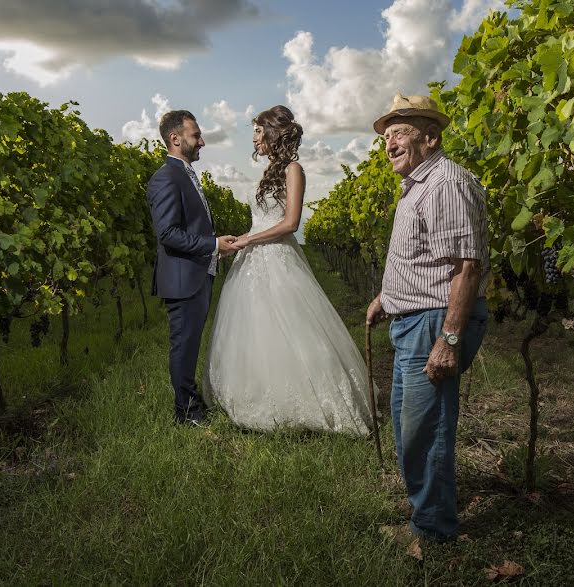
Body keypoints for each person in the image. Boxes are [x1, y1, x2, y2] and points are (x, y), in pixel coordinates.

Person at [202, 105, 374, 435]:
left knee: (289, 327)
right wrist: (246, 240)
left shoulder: (294, 169)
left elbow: (291, 223)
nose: (253, 137)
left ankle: (301, 405)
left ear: (273, 133)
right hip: (253, 258)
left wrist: (249, 240)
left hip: (277, 256)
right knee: (253, 329)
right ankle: (253, 396)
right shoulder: (268, 171)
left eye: (257, 130)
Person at [366, 94, 489, 545]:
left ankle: (433, 530)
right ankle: (425, 505)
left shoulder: (445, 183)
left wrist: (449, 340)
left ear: (431, 138)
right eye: (386, 136)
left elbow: (466, 268)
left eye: (401, 133)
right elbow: (425, 259)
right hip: (414, 317)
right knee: (407, 423)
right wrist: (387, 295)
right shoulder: (420, 184)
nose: (389, 143)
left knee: (426, 428)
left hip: (434, 324)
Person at [146, 110, 239, 426]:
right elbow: (168, 234)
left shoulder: (184, 174)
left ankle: (191, 404)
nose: (202, 141)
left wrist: (214, 247)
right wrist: (213, 246)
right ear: (175, 139)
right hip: (182, 278)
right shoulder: (165, 177)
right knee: (184, 345)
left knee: (190, 343)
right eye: (196, 135)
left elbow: (192, 227)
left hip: (196, 274)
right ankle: (186, 413)